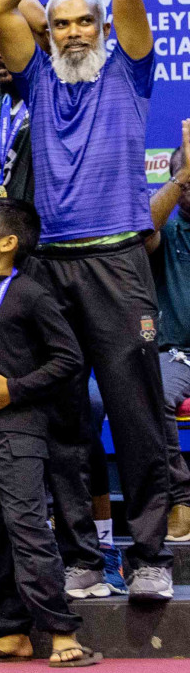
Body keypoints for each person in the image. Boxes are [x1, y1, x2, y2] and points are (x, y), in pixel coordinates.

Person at [0, 0, 172, 601]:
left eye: (80, 22)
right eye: (58, 23)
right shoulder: (35, 76)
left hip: (118, 262)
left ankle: (151, 554)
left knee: (136, 412)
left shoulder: (129, 70)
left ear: (100, 29)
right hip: (50, 268)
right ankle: (84, 558)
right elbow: (2, 0)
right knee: (61, 418)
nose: (68, 33)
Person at [0, 0, 119, 600]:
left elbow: (38, 21)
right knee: (8, 429)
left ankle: (86, 553)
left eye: (8, 41)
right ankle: (18, 559)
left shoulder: (58, 90)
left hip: (47, 270)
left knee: (71, 421)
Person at [0, 199, 100, 667]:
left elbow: (68, 360)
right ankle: (9, 631)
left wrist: (15, 390)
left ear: (8, 243)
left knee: (28, 530)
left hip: (20, 433)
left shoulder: (31, 293)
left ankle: (61, 630)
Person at [146, 125, 190, 542]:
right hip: (179, 357)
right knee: (156, 390)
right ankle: (182, 500)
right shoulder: (166, 232)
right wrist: (181, 177)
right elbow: (142, 235)